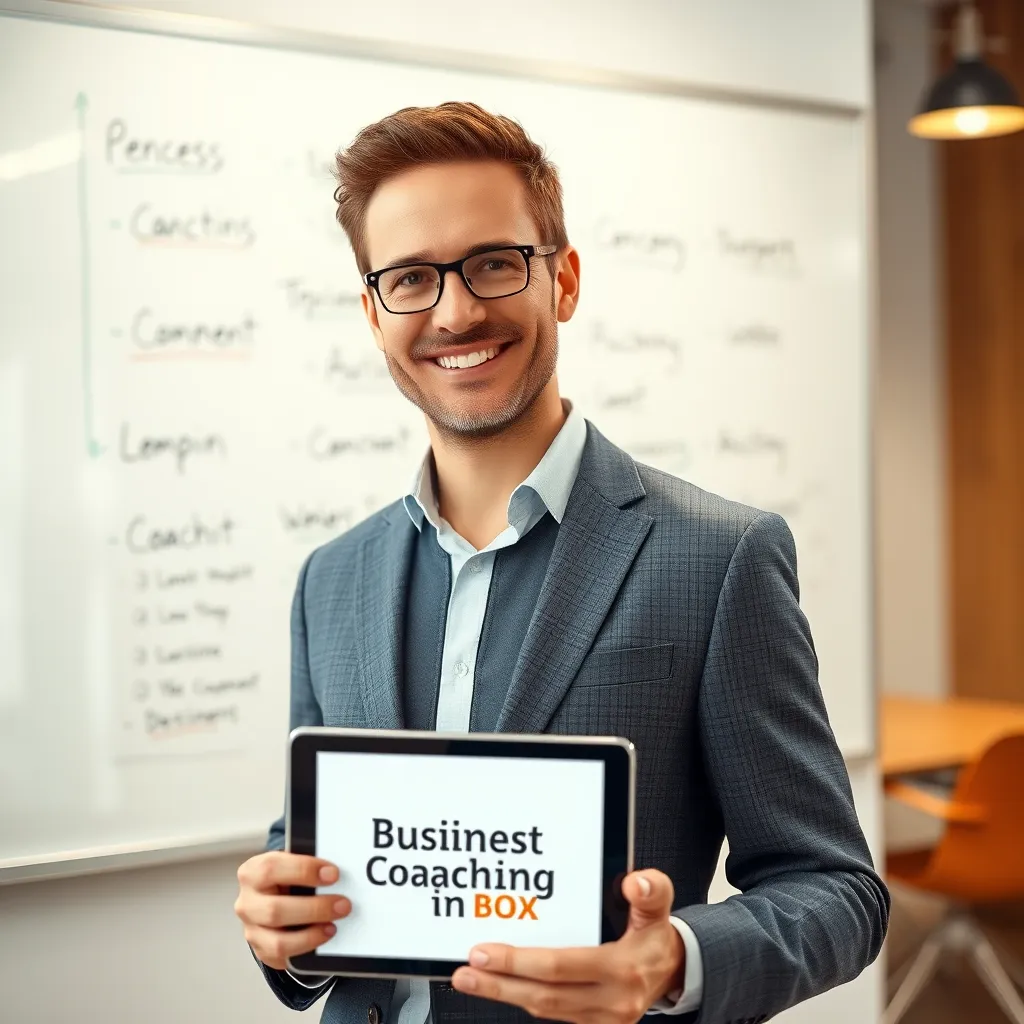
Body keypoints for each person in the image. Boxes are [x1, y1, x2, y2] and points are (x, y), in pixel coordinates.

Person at [233, 101, 889, 1024]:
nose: (457, 311)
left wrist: (675, 961)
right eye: (412, 278)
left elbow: (836, 891)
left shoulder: (720, 556)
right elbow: (315, 848)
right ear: (374, 313)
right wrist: (284, 927)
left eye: (494, 264)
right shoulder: (330, 581)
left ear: (564, 280)